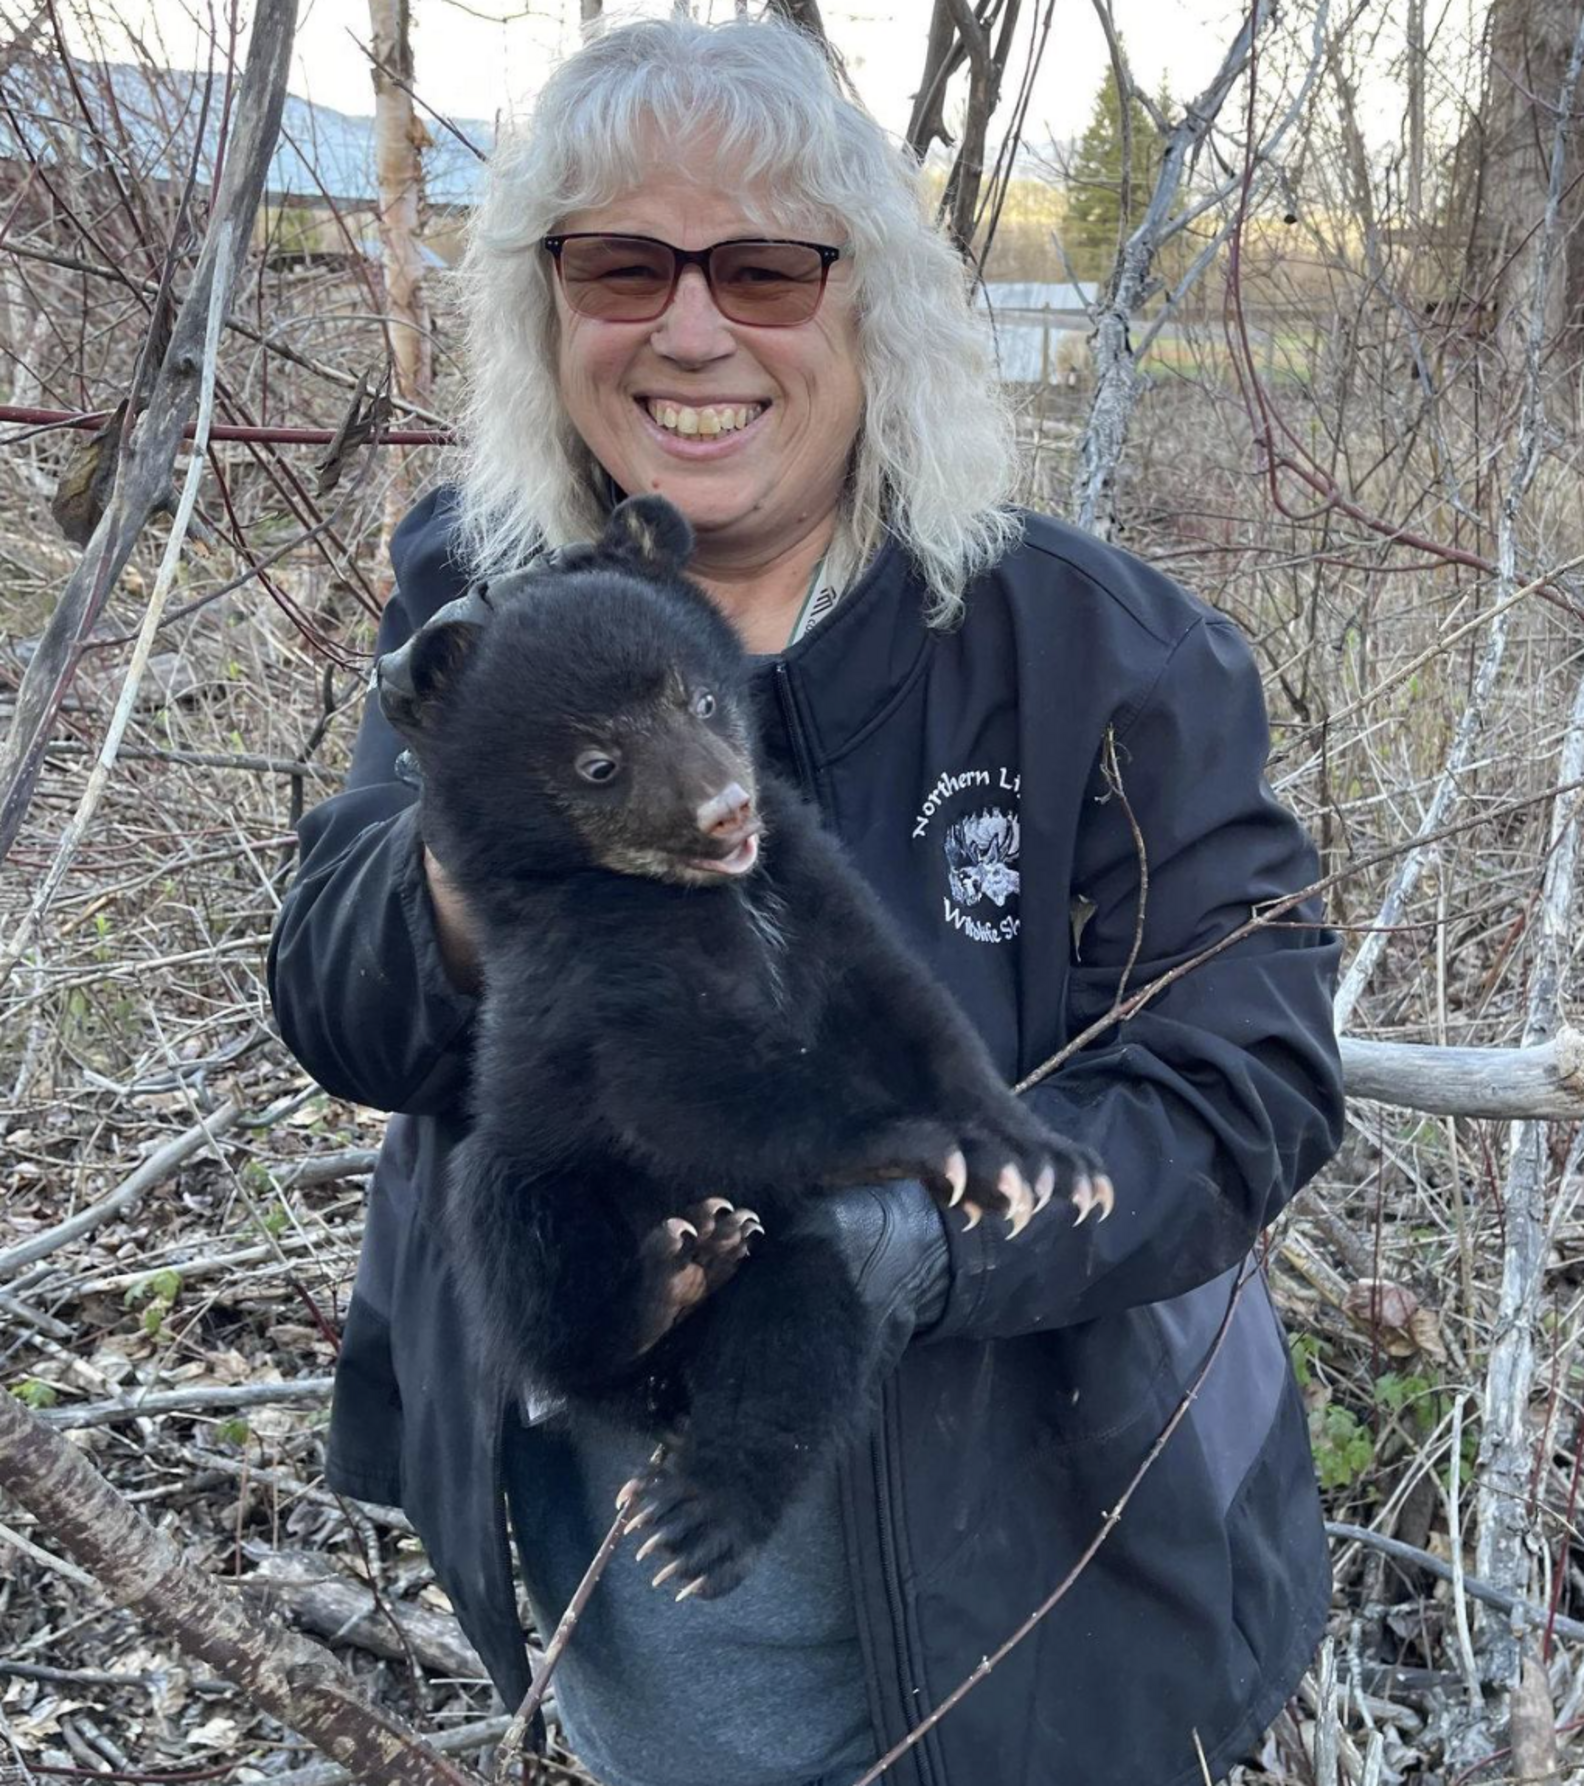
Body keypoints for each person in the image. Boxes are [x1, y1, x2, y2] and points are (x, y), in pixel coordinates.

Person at [268, 15, 1345, 1786]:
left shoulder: (1093, 650)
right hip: (646, 1619)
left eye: (765, 268)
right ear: (550, 310)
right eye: (625, 263)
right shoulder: (484, 600)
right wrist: (488, 842)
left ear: (874, 310)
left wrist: (901, 1228)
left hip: (1046, 1598)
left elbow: (1251, 1084)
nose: (693, 329)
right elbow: (337, 997)